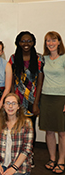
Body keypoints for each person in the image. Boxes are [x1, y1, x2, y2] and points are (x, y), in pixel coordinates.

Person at [9, 31, 44, 168]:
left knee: (30, 129)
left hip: (32, 100)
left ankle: (30, 155)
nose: (26, 44)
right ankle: (16, 154)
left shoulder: (39, 58)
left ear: (34, 42)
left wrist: (36, 103)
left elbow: (40, 82)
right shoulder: (13, 58)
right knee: (16, 128)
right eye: (23, 41)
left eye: (29, 41)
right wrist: (12, 100)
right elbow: (11, 80)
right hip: (17, 99)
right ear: (18, 42)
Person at [40, 31, 65, 174]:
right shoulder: (44, 59)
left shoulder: (64, 58)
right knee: (49, 131)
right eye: (48, 41)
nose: (50, 43)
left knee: (62, 132)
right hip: (46, 97)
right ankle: (52, 158)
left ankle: (61, 160)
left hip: (61, 97)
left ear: (59, 42)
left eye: (53, 40)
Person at [0, 93, 33, 175]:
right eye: (8, 103)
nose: (10, 106)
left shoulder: (26, 123)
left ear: (18, 106)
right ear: (3, 106)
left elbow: (27, 149)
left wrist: (13, 168)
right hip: (2, 164)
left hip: (19, 167)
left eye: (13, 103)